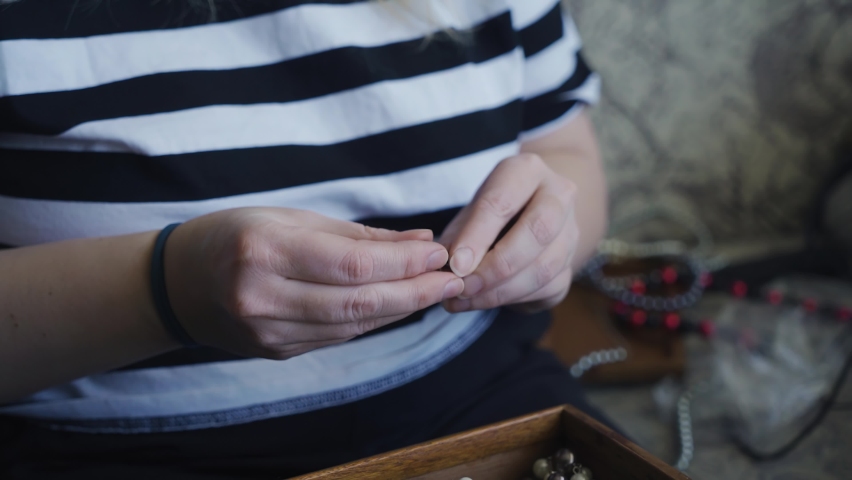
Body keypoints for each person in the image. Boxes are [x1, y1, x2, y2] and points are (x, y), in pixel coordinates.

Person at [0, 0, 609, 478]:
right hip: (100, 454)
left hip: (488, 411)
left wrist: (548, 241)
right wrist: (166, 289)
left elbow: (562, 150)